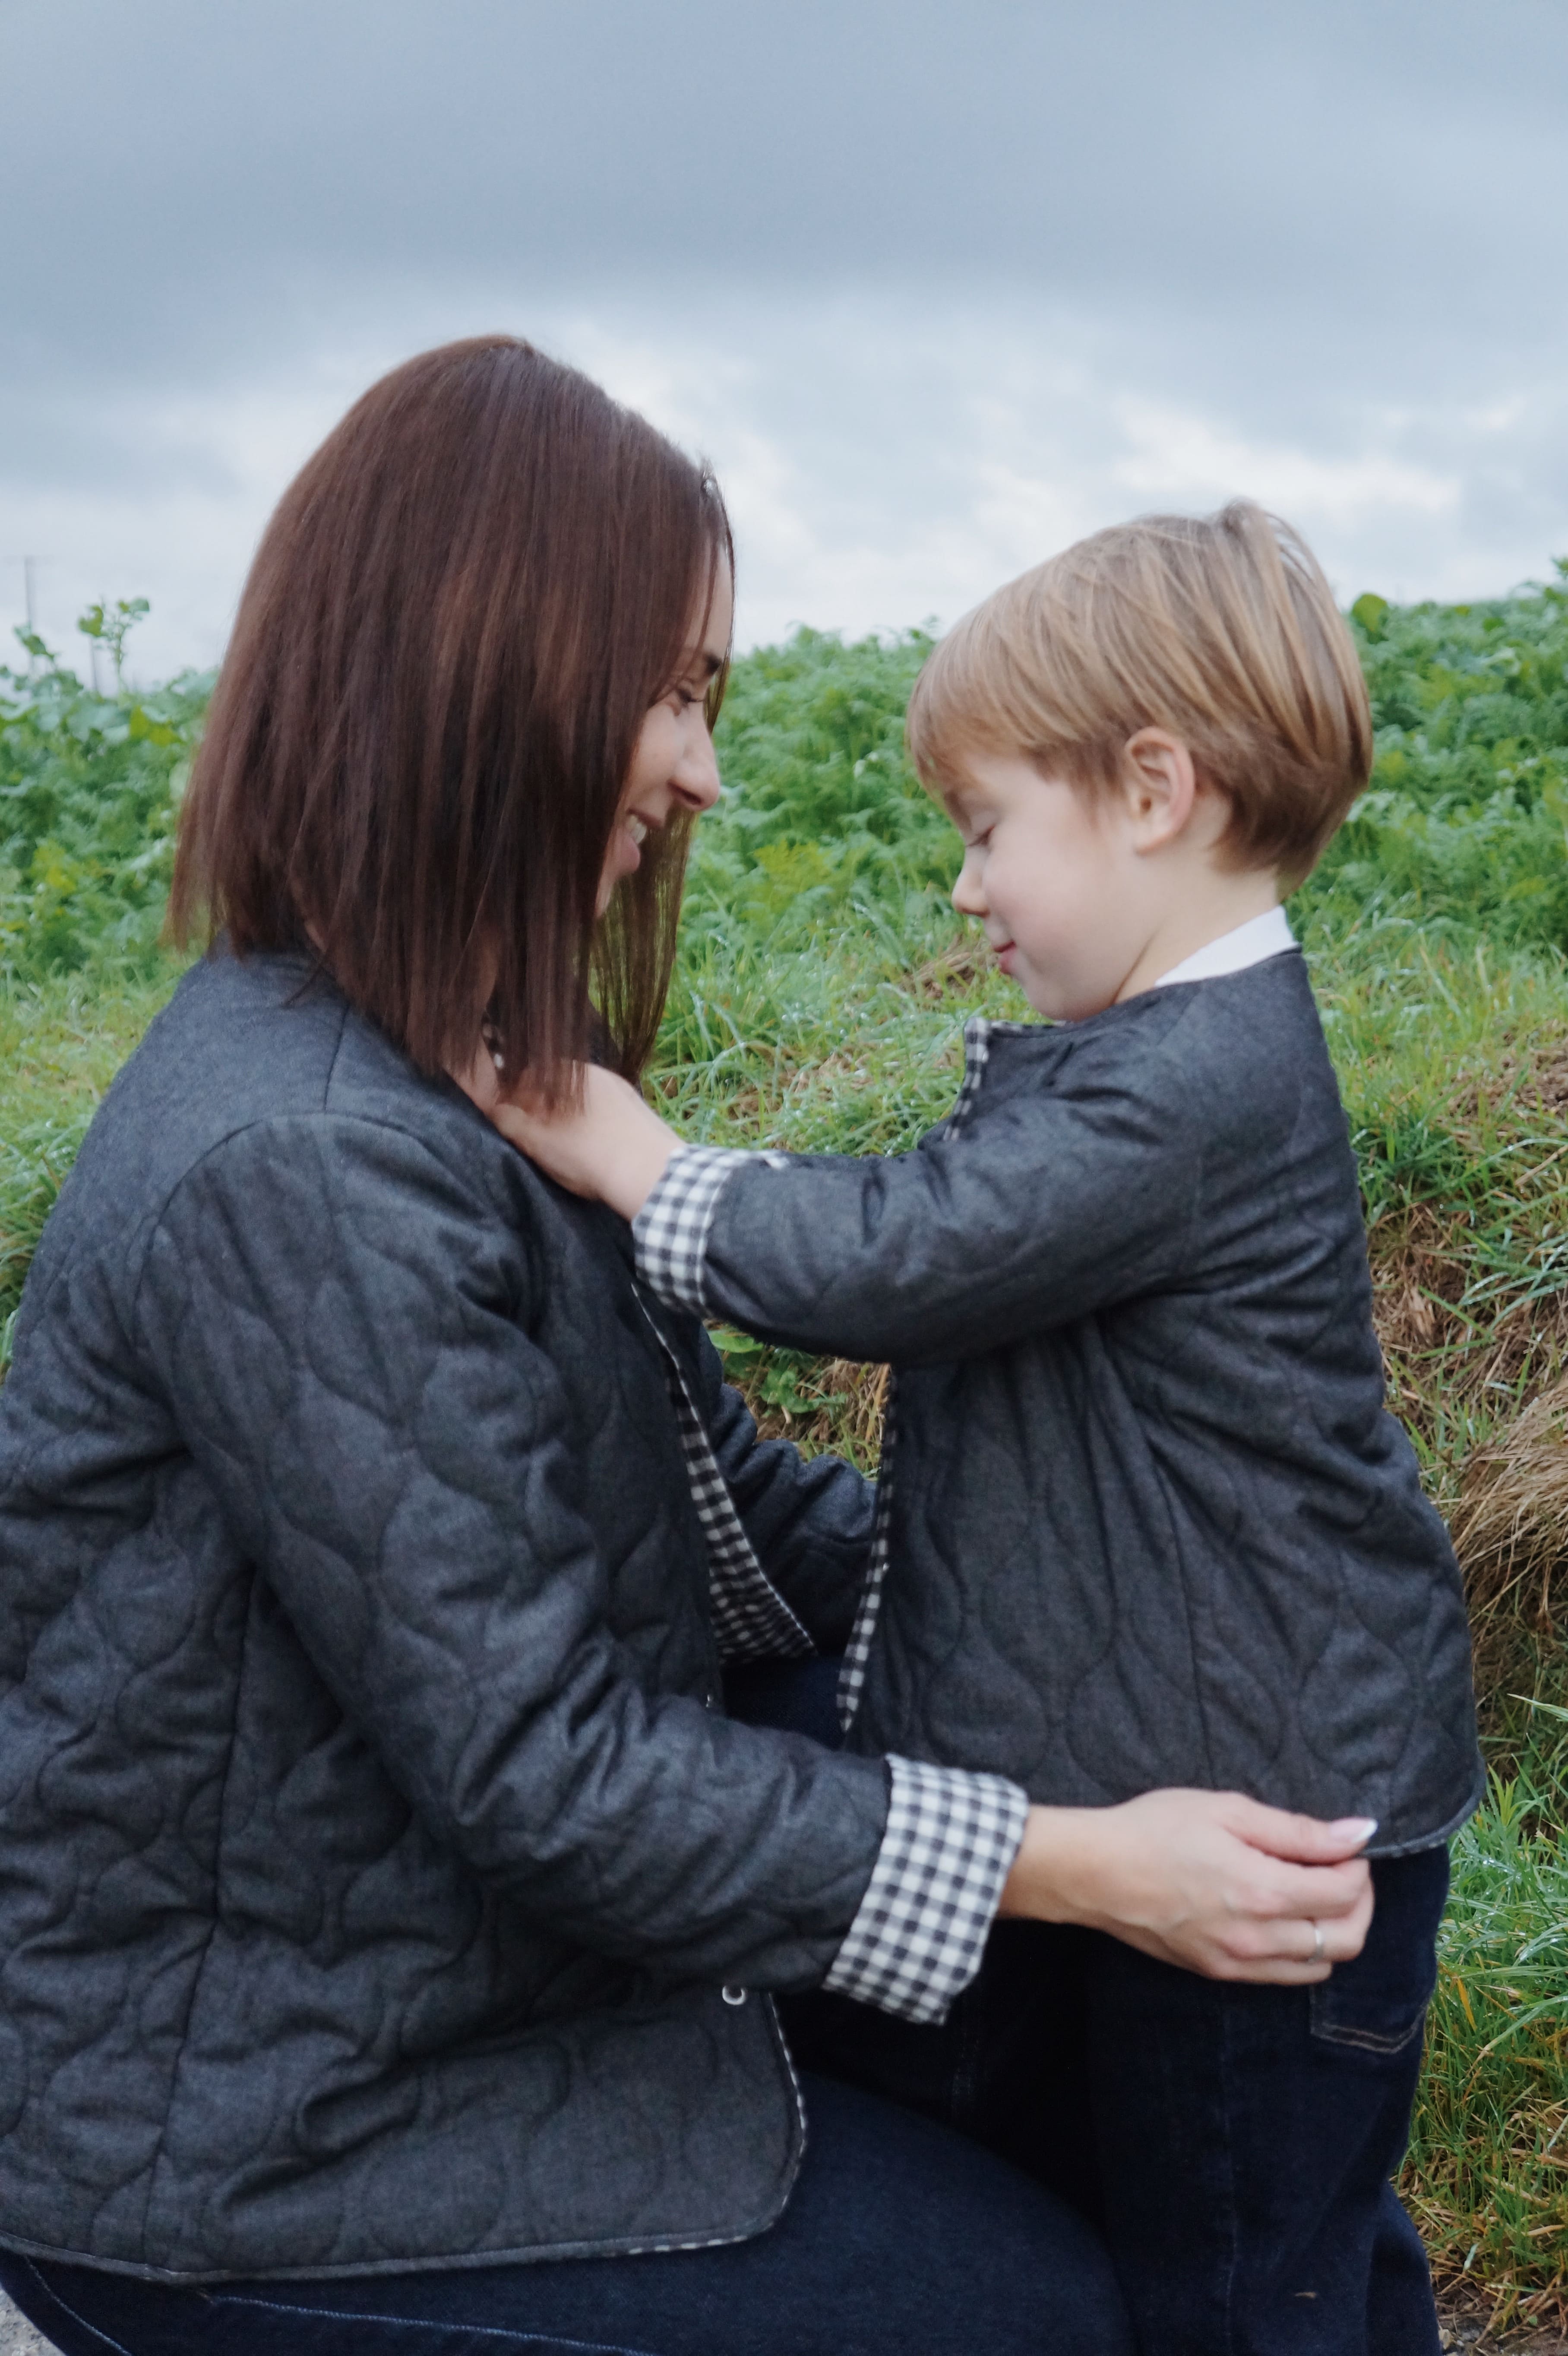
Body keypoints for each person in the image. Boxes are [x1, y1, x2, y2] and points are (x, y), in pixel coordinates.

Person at [0, 346, 1375, 2356]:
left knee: (1132, 2040)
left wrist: (1116, 1641)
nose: (705, 769)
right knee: (1053, 2321)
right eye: (674, 691)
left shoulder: (452, 1059)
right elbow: (551, 1771)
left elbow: (727, 1511)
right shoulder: (304, 1161)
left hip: (447, 1955)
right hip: (275, 2122)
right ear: (489, 674)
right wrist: (1075, 1858)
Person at [491, 503, 1481, 2356]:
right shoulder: (1153, 1053)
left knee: (1238, 2274)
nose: (964, 887)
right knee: (1248, 2233)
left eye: (985, 826)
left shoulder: (1192, 1081)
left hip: (1262, 1839)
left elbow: (906, 1253)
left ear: (1151, 792)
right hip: (1190, 1770)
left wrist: (644, 1160)